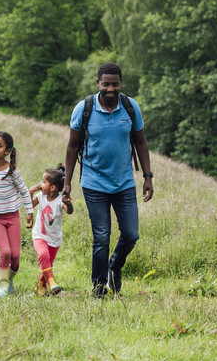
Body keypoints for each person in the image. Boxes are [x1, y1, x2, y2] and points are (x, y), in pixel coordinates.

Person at [62, 62, 154, 298]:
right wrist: (67, 183)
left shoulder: (130, 107)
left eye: (115, 84)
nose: (110, 88)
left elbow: (140, 142)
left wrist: (147, 176)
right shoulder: (85, 109)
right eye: (106, 84)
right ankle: (99, 288)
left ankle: (114, 267)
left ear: (120, 84)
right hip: (94, 183)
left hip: (123, 183)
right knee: (101, 237)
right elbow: (72, 147)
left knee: (131, 234)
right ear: (98, 84)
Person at [0, 131, 34, 297]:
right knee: (5, 252)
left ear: (7, 150)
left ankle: (9, 280)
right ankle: (2, 287)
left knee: (16, 256)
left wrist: (29, 213)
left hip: (12, 217)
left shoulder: (12, 172)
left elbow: (24, 192)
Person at [30, 165, 73, 296]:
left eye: (43, 182)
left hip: (54, 239)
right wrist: (31, 191)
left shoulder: (60, 200)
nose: (40, 184)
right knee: (43, 255)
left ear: (52, 187)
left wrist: (69, 203)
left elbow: (69, 211)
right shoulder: (40, 196)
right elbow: (29, 205)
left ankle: (40, 286)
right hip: (39, 235)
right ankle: (52, 282)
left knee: (47, 263)